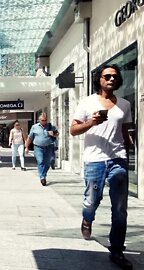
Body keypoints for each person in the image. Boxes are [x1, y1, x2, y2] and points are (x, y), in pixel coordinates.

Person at [70, 64, 133, 270]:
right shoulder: (87, 102)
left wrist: (130, 148)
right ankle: (87, 220)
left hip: (118, 159)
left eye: (115, 76)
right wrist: (91, 122)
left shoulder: (124, 104)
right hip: (94, 160)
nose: (111, 79)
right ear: (99, 79)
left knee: (120, 208)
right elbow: (73, 130)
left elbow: (125, 133)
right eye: (107, 76)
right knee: (91, 201)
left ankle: (117, 250)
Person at [25, 113, 58, 186]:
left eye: (45, 120)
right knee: (40, 161)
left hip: (48, 147)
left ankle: (44, 174)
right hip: (38, 147)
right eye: (42, 120)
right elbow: (30, 137)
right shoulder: (34, 127)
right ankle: (42, 177)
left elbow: (57, 134)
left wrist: (52, 133)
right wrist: (26, 147)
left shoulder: (50, 126)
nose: (44, 122)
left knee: (47, 163)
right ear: (39, 120)